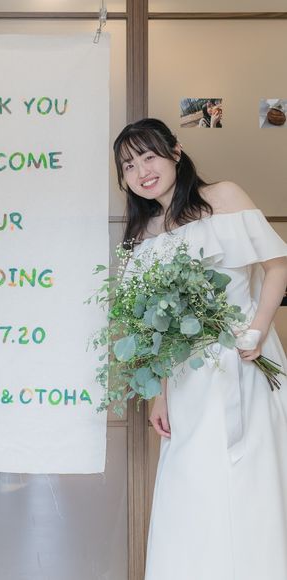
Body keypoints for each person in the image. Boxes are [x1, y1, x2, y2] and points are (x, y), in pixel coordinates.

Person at [113, 118, 287, 580]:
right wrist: (159, 393)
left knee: (251, 481)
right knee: (192, 486)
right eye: (128, 165)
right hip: (187, 378)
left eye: (149, 155)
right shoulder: (142, 234)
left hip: (246, 361)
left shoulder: (224, 197)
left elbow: (278, 266)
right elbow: (151, 326)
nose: (142, 171)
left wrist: (256, 331)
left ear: (176, 151)